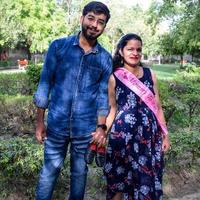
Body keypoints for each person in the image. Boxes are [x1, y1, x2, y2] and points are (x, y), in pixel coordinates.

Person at [33, 1, 111, 200]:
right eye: (91, 18)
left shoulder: (104, 58)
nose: (94, 25)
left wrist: (101, 127)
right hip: (56, 126)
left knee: (79, 174)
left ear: (104, 27)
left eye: (100, 22)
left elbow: (103, 96)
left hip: (85, 130)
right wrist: (40, 123)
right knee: (49, 172)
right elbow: (44, 85)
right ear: (82, 18)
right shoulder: (59, 47)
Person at [104, 33, 170, 200]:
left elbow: (158, 107)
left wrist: (165, 136)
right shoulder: (115, 77)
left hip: (149, 138)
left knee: (146, 179)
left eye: (138, 49)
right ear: (121, 51)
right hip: (123, 137)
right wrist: (103, 132)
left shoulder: (150, 74)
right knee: (120, 181)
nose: (135, 53)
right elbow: (112, 109)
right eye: (130, 49)